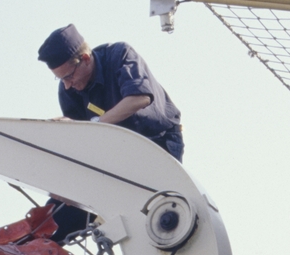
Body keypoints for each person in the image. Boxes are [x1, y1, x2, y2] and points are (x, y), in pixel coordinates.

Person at [37, 24, 183, 161]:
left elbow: (140, 98)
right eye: (61, 79)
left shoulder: (120, 55)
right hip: (117, 148)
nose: (67, 85)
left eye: (69, 76)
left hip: (159, 140)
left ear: (85, 59)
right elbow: (82, 137)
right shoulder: (68, 89)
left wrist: (95, 124)